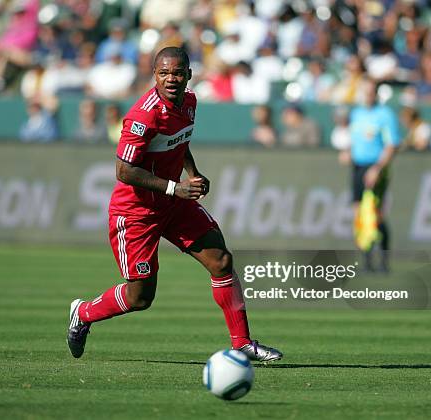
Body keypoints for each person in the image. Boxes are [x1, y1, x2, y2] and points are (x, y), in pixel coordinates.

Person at [67, 47, 282, 363]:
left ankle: (242, 344)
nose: (171, 79)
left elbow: (179, 143)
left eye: (178, 73)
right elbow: (124, 170)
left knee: (221, 261)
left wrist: (193, 174)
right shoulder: (143, 115)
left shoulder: (189, 103)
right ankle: (83, 312)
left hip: (173, 203)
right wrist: (174, 187)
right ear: (154, 75)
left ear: (189, 75)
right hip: (136, 212)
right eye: (164, 73)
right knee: (141, 297)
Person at [349, 78, 401, 272]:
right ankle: (367, 261)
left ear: (377, 93)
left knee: (375, 215)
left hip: (375, 167)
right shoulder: (357, 114)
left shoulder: (384, 114)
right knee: (359, 214)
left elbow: (391, 144)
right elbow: (355, 139)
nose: (367, 95)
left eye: (371, 91)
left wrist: (378, 167)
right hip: (357, 167)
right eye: (365, 91)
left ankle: (384, 260)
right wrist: (348, 152)